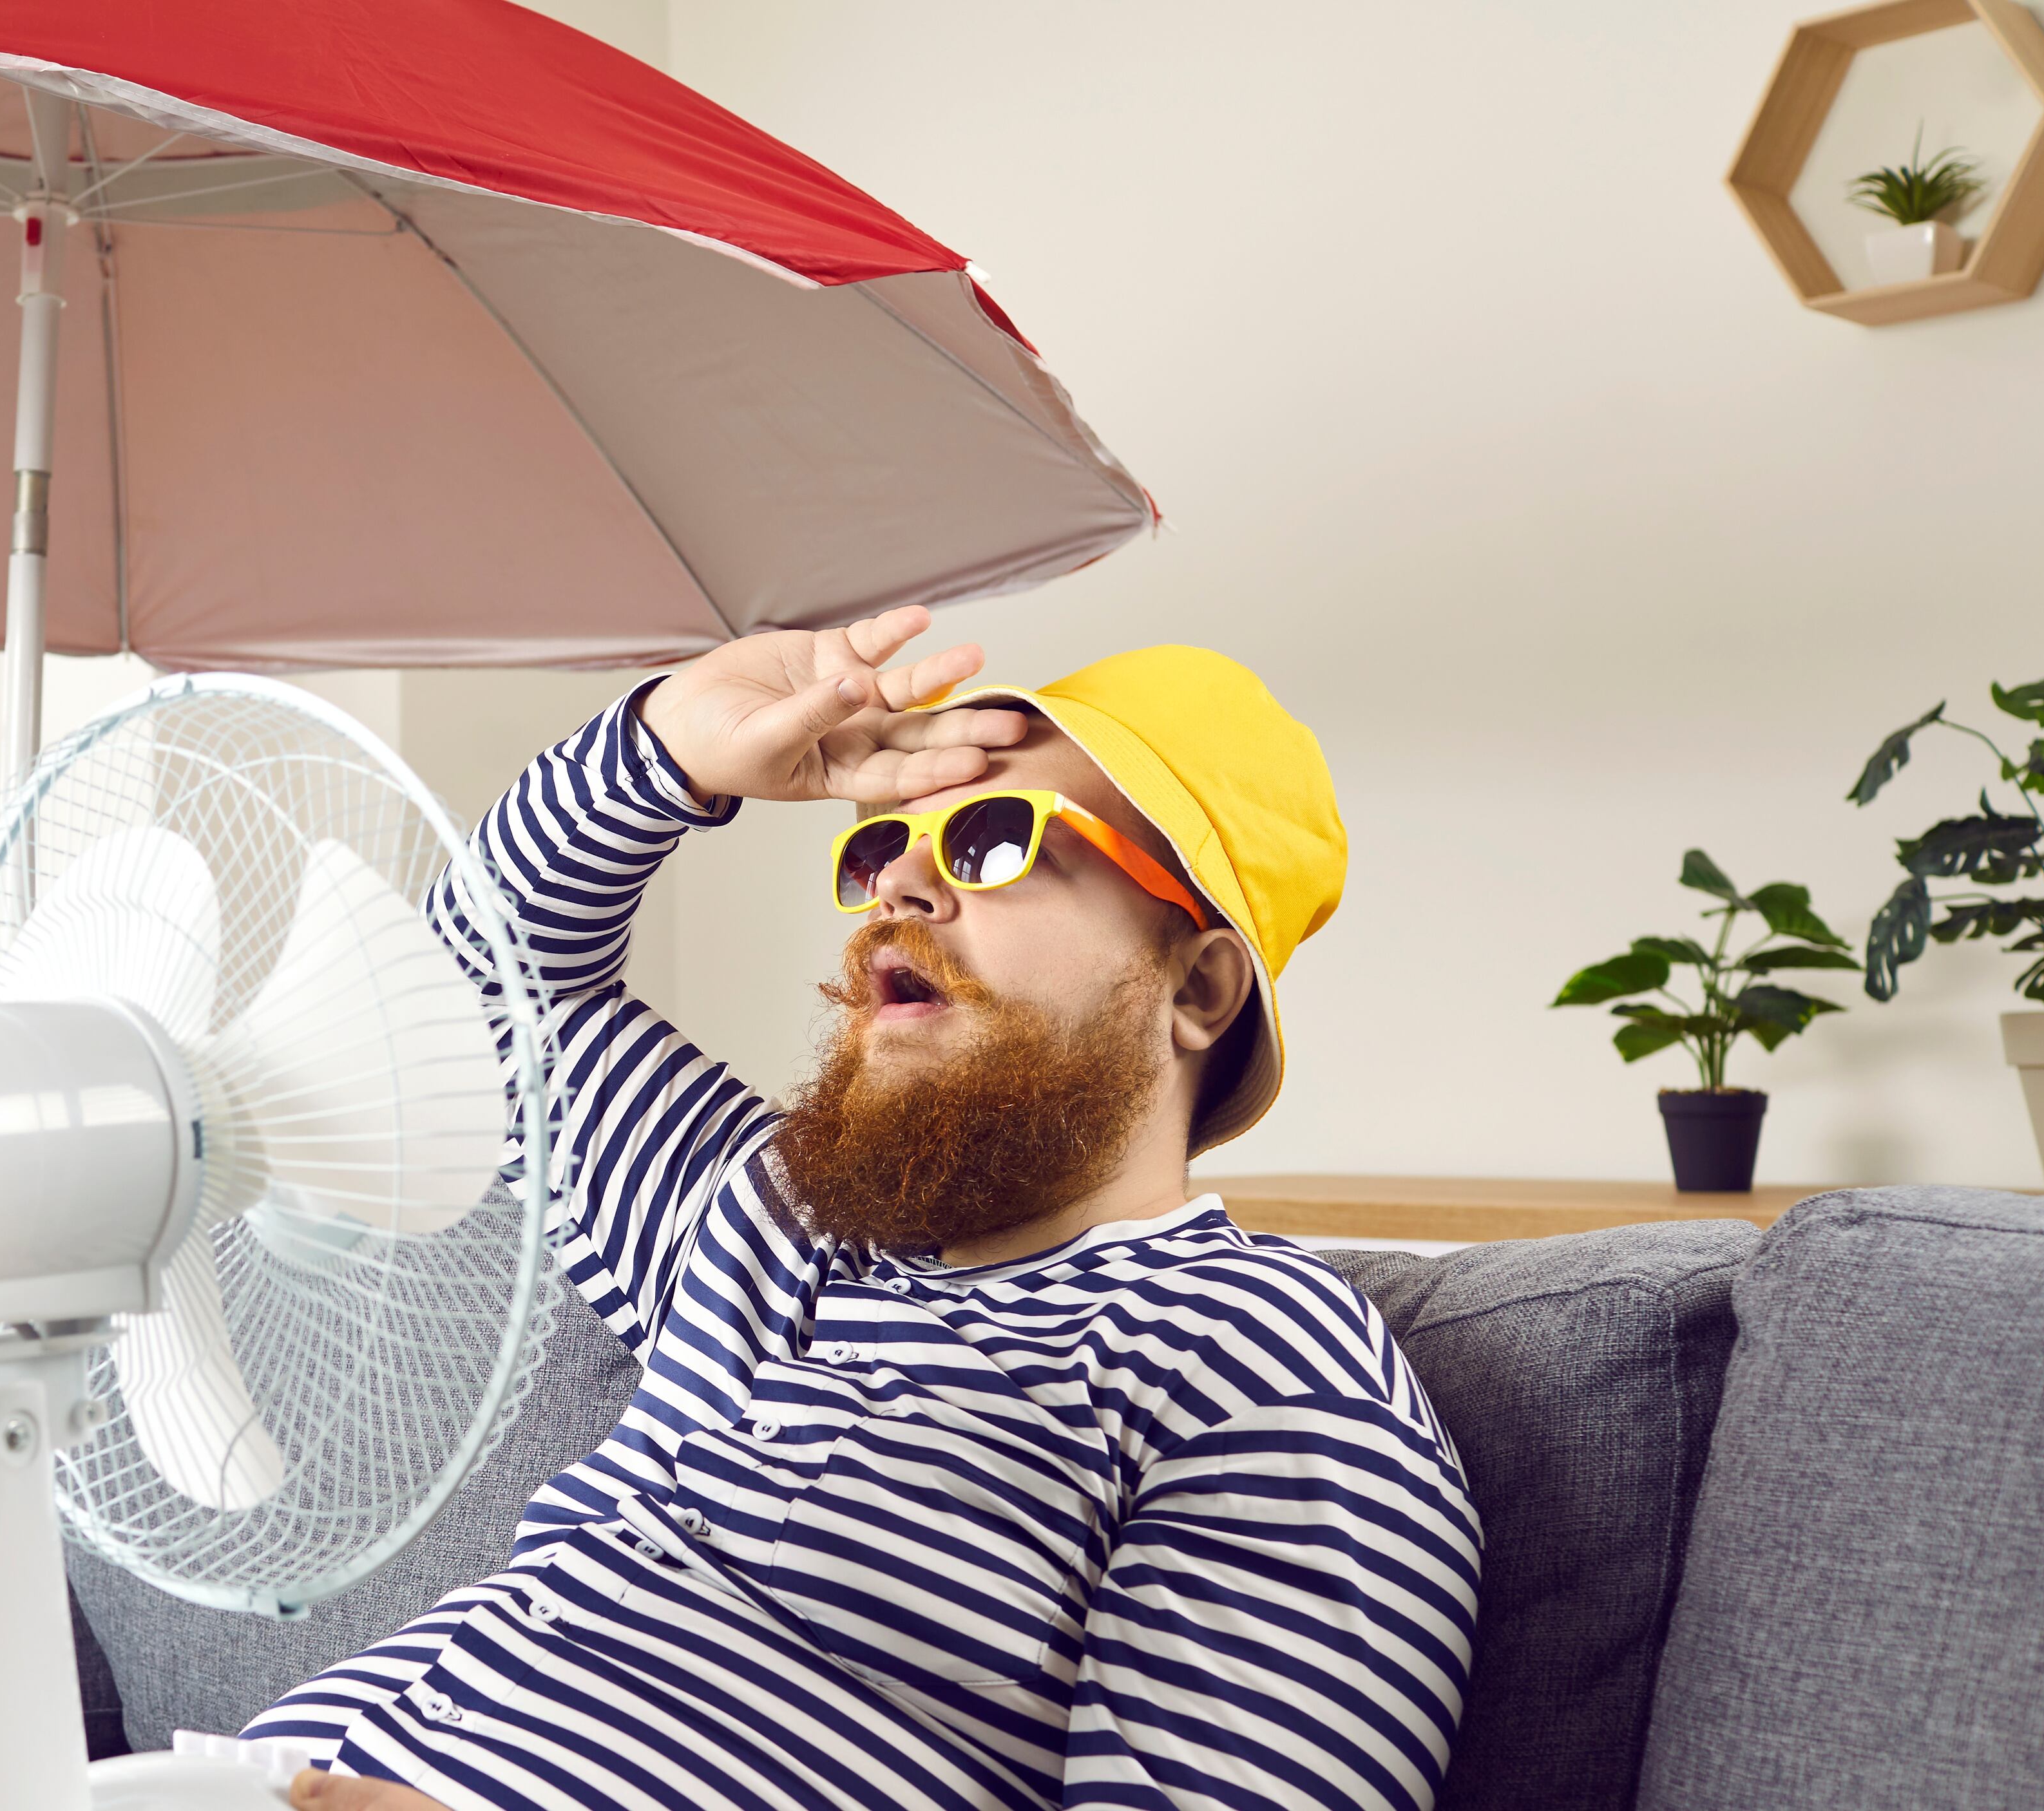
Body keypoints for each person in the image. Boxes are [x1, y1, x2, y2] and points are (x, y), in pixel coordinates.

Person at [244, 607, 1479, 1810]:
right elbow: (468, 1002)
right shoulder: (767, 1220)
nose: (900, 889)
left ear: (1197, 986)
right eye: (883, 850)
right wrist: (670, 747)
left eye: (995, 840)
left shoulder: (1257, 1358)